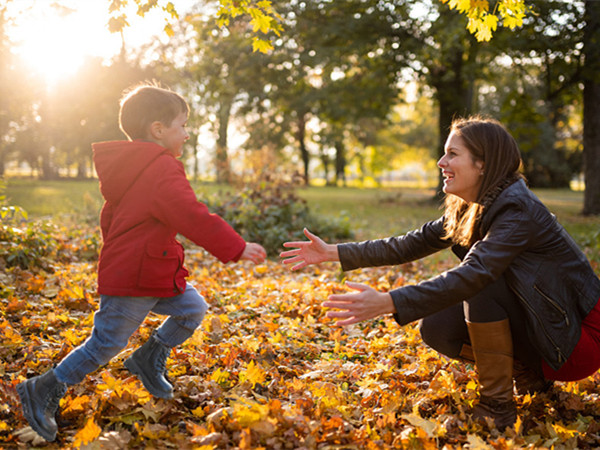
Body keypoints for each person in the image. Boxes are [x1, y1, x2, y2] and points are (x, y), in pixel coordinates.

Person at [281, 116, 600, 430]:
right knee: (437, 328)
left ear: (483, 165)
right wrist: (332, 252)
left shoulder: (517, 210)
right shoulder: (474, 205)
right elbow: (408, 244)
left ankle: (497, 408)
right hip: (548, 328)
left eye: (453, 154)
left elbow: (474, 274)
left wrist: (388, 301)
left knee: (478, 282)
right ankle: (530, 375)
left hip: (578, 340)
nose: (440, 161)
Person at [16, 83, 267, 442]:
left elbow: (112, 220)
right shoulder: (159, 169)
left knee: (192, 308)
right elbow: (191, 215)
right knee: (105, 344)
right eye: (182, 125)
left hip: (153, 270)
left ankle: (148, 358)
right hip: (135, 275)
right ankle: (43, 389)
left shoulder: (133, 169)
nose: (187, 133)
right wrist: (236, 247)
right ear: (158, 130)